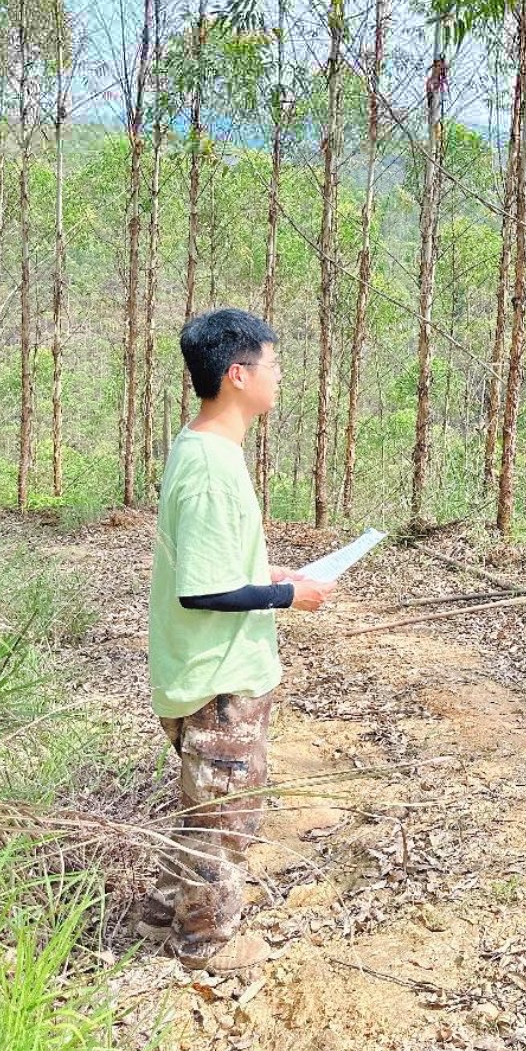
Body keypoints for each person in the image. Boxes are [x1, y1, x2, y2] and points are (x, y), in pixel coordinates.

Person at [139, 308, 334, 975]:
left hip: (204, 667)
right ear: (236, 374)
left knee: (202, 808)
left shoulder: (200, 447)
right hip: (218, 680)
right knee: (225, 821)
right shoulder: (212, 469)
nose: (280, 378)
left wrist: (264, 574)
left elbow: (211, 566)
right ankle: (205, 944)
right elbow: (201, 591)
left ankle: (165, 909)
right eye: (273, 365)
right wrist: (287, 596)